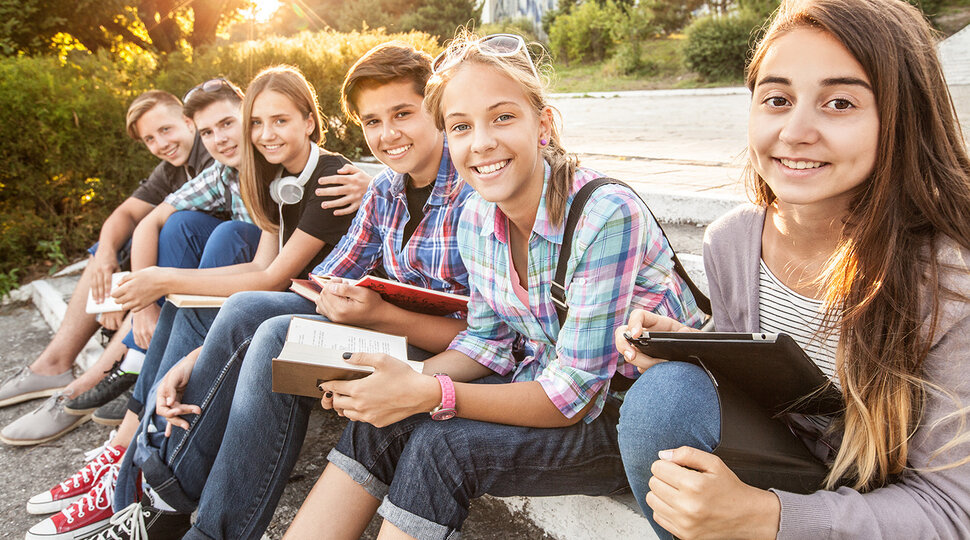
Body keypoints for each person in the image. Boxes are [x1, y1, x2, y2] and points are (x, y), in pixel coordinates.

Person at [283, 32, 705, 540]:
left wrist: (427, 390)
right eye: (460, 126)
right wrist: (390, 383)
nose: (480, 142)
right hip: (544, 382)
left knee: (442, 449)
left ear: (542, 123)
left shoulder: (603, 212)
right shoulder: (477, 217)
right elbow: (487, 343)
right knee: (383, 421)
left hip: (629, 419)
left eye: (502, 117)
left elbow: (573, 395)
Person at [80, 42, 475, 540]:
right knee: (247, 313)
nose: (388, 133)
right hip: (377, 324)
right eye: (373, 121)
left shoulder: (469, 190)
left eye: (403, 113)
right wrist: (204, 357)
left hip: (441, 352)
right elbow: (320, 281)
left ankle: (185, 518)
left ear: (436, 110)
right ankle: (162, 500)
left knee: (269, 337)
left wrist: (375, 314)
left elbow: (487, 337)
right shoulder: (382, 190)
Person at [614, 0, 970, 538]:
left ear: (903, 117)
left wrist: (768, 517)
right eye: (777, 99)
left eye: (840, 103)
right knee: (665, 395)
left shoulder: (949, 277)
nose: (796, 131)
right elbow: (761, 381)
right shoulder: (733, 241)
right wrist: (696, 346)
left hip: (898, 501)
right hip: (794, 459)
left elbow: (952, 508)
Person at [24, 67, 364, 540]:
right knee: (194, 294)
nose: (265, 135)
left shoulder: (329, 177)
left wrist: (162, 280)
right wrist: (169, 294)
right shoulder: (272, 179)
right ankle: (133, 475)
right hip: (288, 305)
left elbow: (268, 278)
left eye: (280, 121)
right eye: (257, 124)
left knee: (236, 301)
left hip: (335, 315)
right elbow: (260, 270)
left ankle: (142, 487)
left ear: (310, 120)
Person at [0, 90, 213, 446]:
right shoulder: (173, 167)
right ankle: (54, 363)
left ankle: (87, 384)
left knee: (174, 231)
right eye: (149, 138)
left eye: (166, 129)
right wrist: (105, 258)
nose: (161, 143)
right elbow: (127, 214)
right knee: (108, 247)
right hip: (179, 267)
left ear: (188, 121)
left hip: (210, 270)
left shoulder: (213, 157)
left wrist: (140, 302)